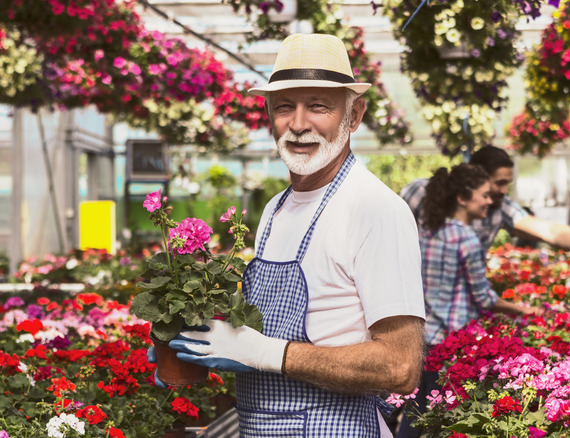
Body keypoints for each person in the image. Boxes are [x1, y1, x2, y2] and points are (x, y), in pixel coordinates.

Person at [162, 34, 426, 437]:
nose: (298, 124)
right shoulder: (276, 208)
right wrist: (196, 351)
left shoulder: (374, 209)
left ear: (354, 116)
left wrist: (265, 353)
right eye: (285, 107)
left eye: (318, 106)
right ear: (269, 114)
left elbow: (400, 366)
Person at [396, 164, 542, 438]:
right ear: (463, 198)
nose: (490, 201)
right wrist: (522, 309)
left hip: (420, 339)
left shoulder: (425, 231)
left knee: (416, 415)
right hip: (447, 346)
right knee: (440, 419)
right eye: (484, 195)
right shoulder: (466, 239)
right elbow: (484, 297)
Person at [401, 146, 570, 270]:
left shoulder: (500, 208)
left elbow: (553, 233)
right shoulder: (420, 192)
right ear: (477, 178)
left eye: (508, 184)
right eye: (500, 183)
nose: (505, 191)